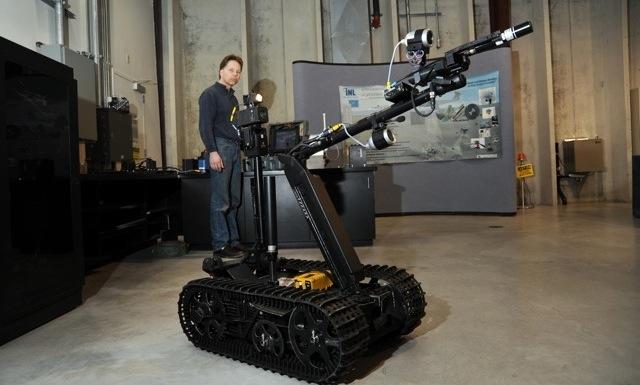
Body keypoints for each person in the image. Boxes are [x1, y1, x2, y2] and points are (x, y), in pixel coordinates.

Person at [198, 54, 246, 259]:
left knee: (234, 199)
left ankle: (233, 242)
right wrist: (212, 151)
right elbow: (204, 125)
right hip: (221, 147)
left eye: (238, 72)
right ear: (221, 70)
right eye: (231, 70)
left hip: (235, 149)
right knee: (221, 201)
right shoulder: (210, 94)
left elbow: (234, 126)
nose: (235, 74)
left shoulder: (232, 98)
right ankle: (220, 244)